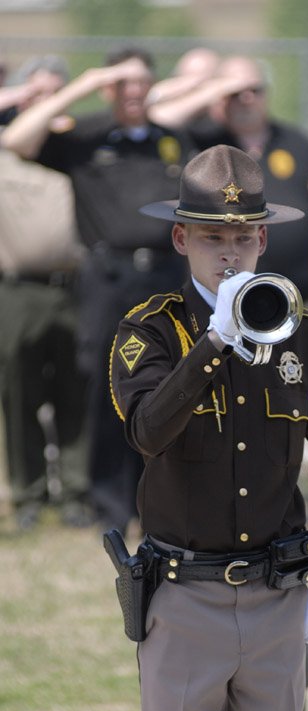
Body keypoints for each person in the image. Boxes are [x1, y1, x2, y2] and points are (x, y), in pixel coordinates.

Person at [109, 143, 308, 711]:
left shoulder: (297, 329)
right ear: (182, 239)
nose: (230, 252)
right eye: (212, 237)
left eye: (243, 237)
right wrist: (216, 343)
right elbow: (146, 432)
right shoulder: (150, 331)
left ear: (264, 237)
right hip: (184, 598)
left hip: (276, 597)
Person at [1, 46, 193, 533]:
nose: (133, 93)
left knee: (172, 387)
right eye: (121, 84)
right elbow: (19, 139)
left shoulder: (171, 140)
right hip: (108, 278)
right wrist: (86, 84)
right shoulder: (85, 136)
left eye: (140, 83)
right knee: (108, 390)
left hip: (167, 274)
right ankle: (108, 505)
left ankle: (166, 501)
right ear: (108, 89)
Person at [0, 56, 92, 530]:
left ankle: (75, 491)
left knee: (75, 389)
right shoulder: (6, 146)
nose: (51, 102)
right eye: (39, 93)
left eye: (59, 92)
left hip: (76, 286)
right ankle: (28, 494)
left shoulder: (77, 147)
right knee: (20, 394)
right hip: (20, 291)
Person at [190, 55, 308, 309]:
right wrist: (211, 88)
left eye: (255, 90)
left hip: (298, 297)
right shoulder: (201, 144)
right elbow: (157, 118)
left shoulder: (297, 143)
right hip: (219, 300)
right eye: (235, 92)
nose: (246, 99)